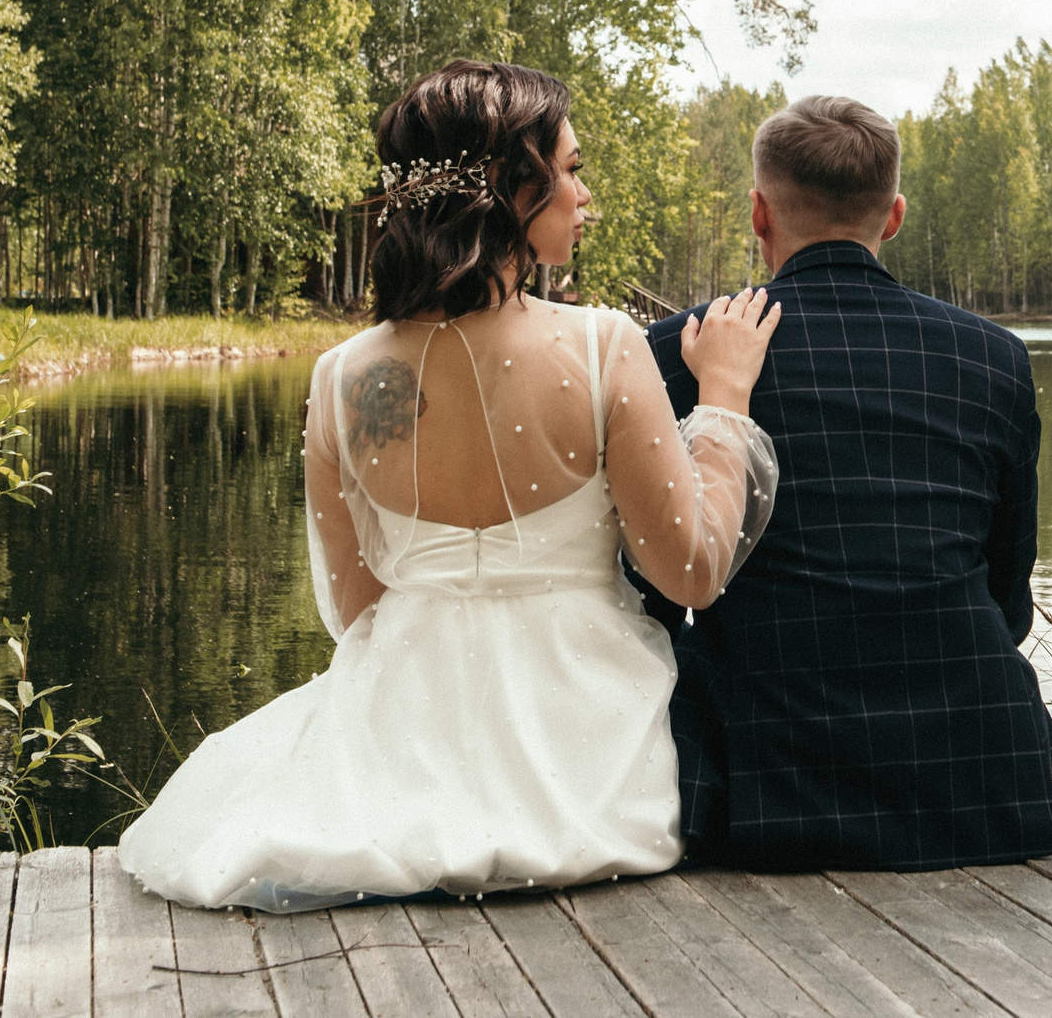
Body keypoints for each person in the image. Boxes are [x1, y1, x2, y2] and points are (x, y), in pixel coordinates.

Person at [119, 60, 782, 911]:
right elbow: (691, 570)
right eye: (571, 169)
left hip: (397, 750)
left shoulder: (345, 378)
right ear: (511, 185)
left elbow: (358, 605)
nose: (586, 196)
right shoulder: (602, 346)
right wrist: (722, 400)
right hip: (588, 763)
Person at [640, 94, 1052, 871]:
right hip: (981, 783)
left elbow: (653, 598)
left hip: (768, 789)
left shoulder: (679, 350)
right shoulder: (995, 356)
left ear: (759, 213)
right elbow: (1007, 599)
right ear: (893, 216)